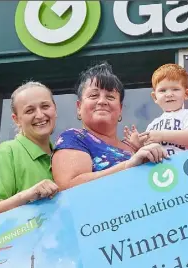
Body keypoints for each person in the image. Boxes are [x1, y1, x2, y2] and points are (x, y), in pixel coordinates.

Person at [52, 62, 169, 190]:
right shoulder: (74, 138)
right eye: (94, 95)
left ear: (120, 109)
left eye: (110, 96)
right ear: (79, 107)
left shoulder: (134, 148)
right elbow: (69, 189)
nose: (102, 101)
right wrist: (127, 166)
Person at [0, 82, 58, 218]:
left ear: (55, 109)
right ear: (16, 119)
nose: (40, 115)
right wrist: (28, 195)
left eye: (45, 106)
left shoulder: (62, 154)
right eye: (30, 110)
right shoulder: (6, 153)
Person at [123, 63, 188, 156]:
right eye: (163, 90)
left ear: (186, 94)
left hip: (185, 166)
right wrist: (139, 146)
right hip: (162, 169)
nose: (169, 94)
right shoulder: (153, 125)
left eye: (175, 89)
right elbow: (148, 154)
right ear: (155, 97)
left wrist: (162, 136)